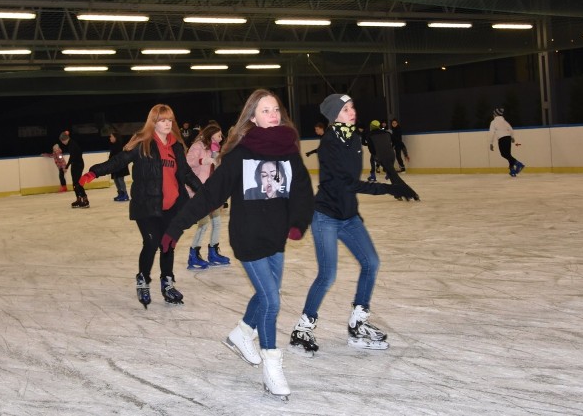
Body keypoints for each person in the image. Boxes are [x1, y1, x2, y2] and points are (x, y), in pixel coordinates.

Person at [160, 89, 314, 401]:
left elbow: (302, 190)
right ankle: (272, 365)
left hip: (276, 237)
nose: (272, 114)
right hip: (248, 236)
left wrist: (298, 222)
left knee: (266, 294)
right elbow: (209, 195)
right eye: (265, 110)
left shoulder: (289, 151)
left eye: (275, 110)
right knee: (271, 301)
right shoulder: (240, 155)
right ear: (253, 118)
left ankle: (243, 334)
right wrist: (176, 228)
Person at [290, 94, 418, 356]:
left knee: (371, 262)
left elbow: (369, 168)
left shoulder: (355, 139)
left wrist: (397, 182)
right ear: (335, 115)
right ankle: (303, 327)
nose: (352, 112)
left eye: (352, 107)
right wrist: (387, 189)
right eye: (346, 109)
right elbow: (345, 184)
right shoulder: (329, 143)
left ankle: (357, 322)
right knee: (328, 275)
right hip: (326, 216)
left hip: (348, 216)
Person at [79, 104, 202, 308]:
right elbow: (119, 161)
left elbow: (186, 173)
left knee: (168, 244)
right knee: (152, 242)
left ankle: (167, 283)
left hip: (173, 205)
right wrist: (94, 172)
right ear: (153, 122)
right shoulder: (143, 144)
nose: (167, 124)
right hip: (147, 204)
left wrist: (205, 192)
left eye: (169, 120)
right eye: (162, 120)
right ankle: (143, 279)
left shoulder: (176, 146)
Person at [185, 123, 230, 269]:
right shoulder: (198, 146)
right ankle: (194, 255)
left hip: (212, 192)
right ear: (211, 135)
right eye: (218, 134)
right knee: (203, 224)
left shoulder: (215, 149)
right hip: (199, 191)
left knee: (217, 222)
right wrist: (202, 161)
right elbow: (187, 163)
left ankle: (213, 252)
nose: (221, 137)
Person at [489, 108, 524, 176]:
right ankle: (512, 171)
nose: (493, 115)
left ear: (496, 114)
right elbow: (511, 129)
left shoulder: (493, 122)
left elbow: (492, 133)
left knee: (504, 154)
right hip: (508, 138)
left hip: (502, 139)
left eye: (493, 114)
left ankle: (518, 164)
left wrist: (491, 143)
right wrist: (512, 137)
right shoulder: (504, 121)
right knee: (508, 155)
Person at [59, 131, 88, 208]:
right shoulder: (71, 144)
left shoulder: (72, 144)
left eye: (62, 141)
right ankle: (78, 199)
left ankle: (85, 199)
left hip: (78, 165)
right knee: (75, 183)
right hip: (75, 164)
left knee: (78, 183)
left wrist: (67, 166)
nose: (62, 143)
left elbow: (73, 156)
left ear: (64, 139)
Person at [108, 130, 130, 202]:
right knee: (116, 179)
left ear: (115, 138)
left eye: (111, 136)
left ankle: (125, 194)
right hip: (115, 166)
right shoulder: (114, 146)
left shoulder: (120, 146)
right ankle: (120, 193)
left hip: (120, 166)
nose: (110, 138)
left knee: (120, 180)